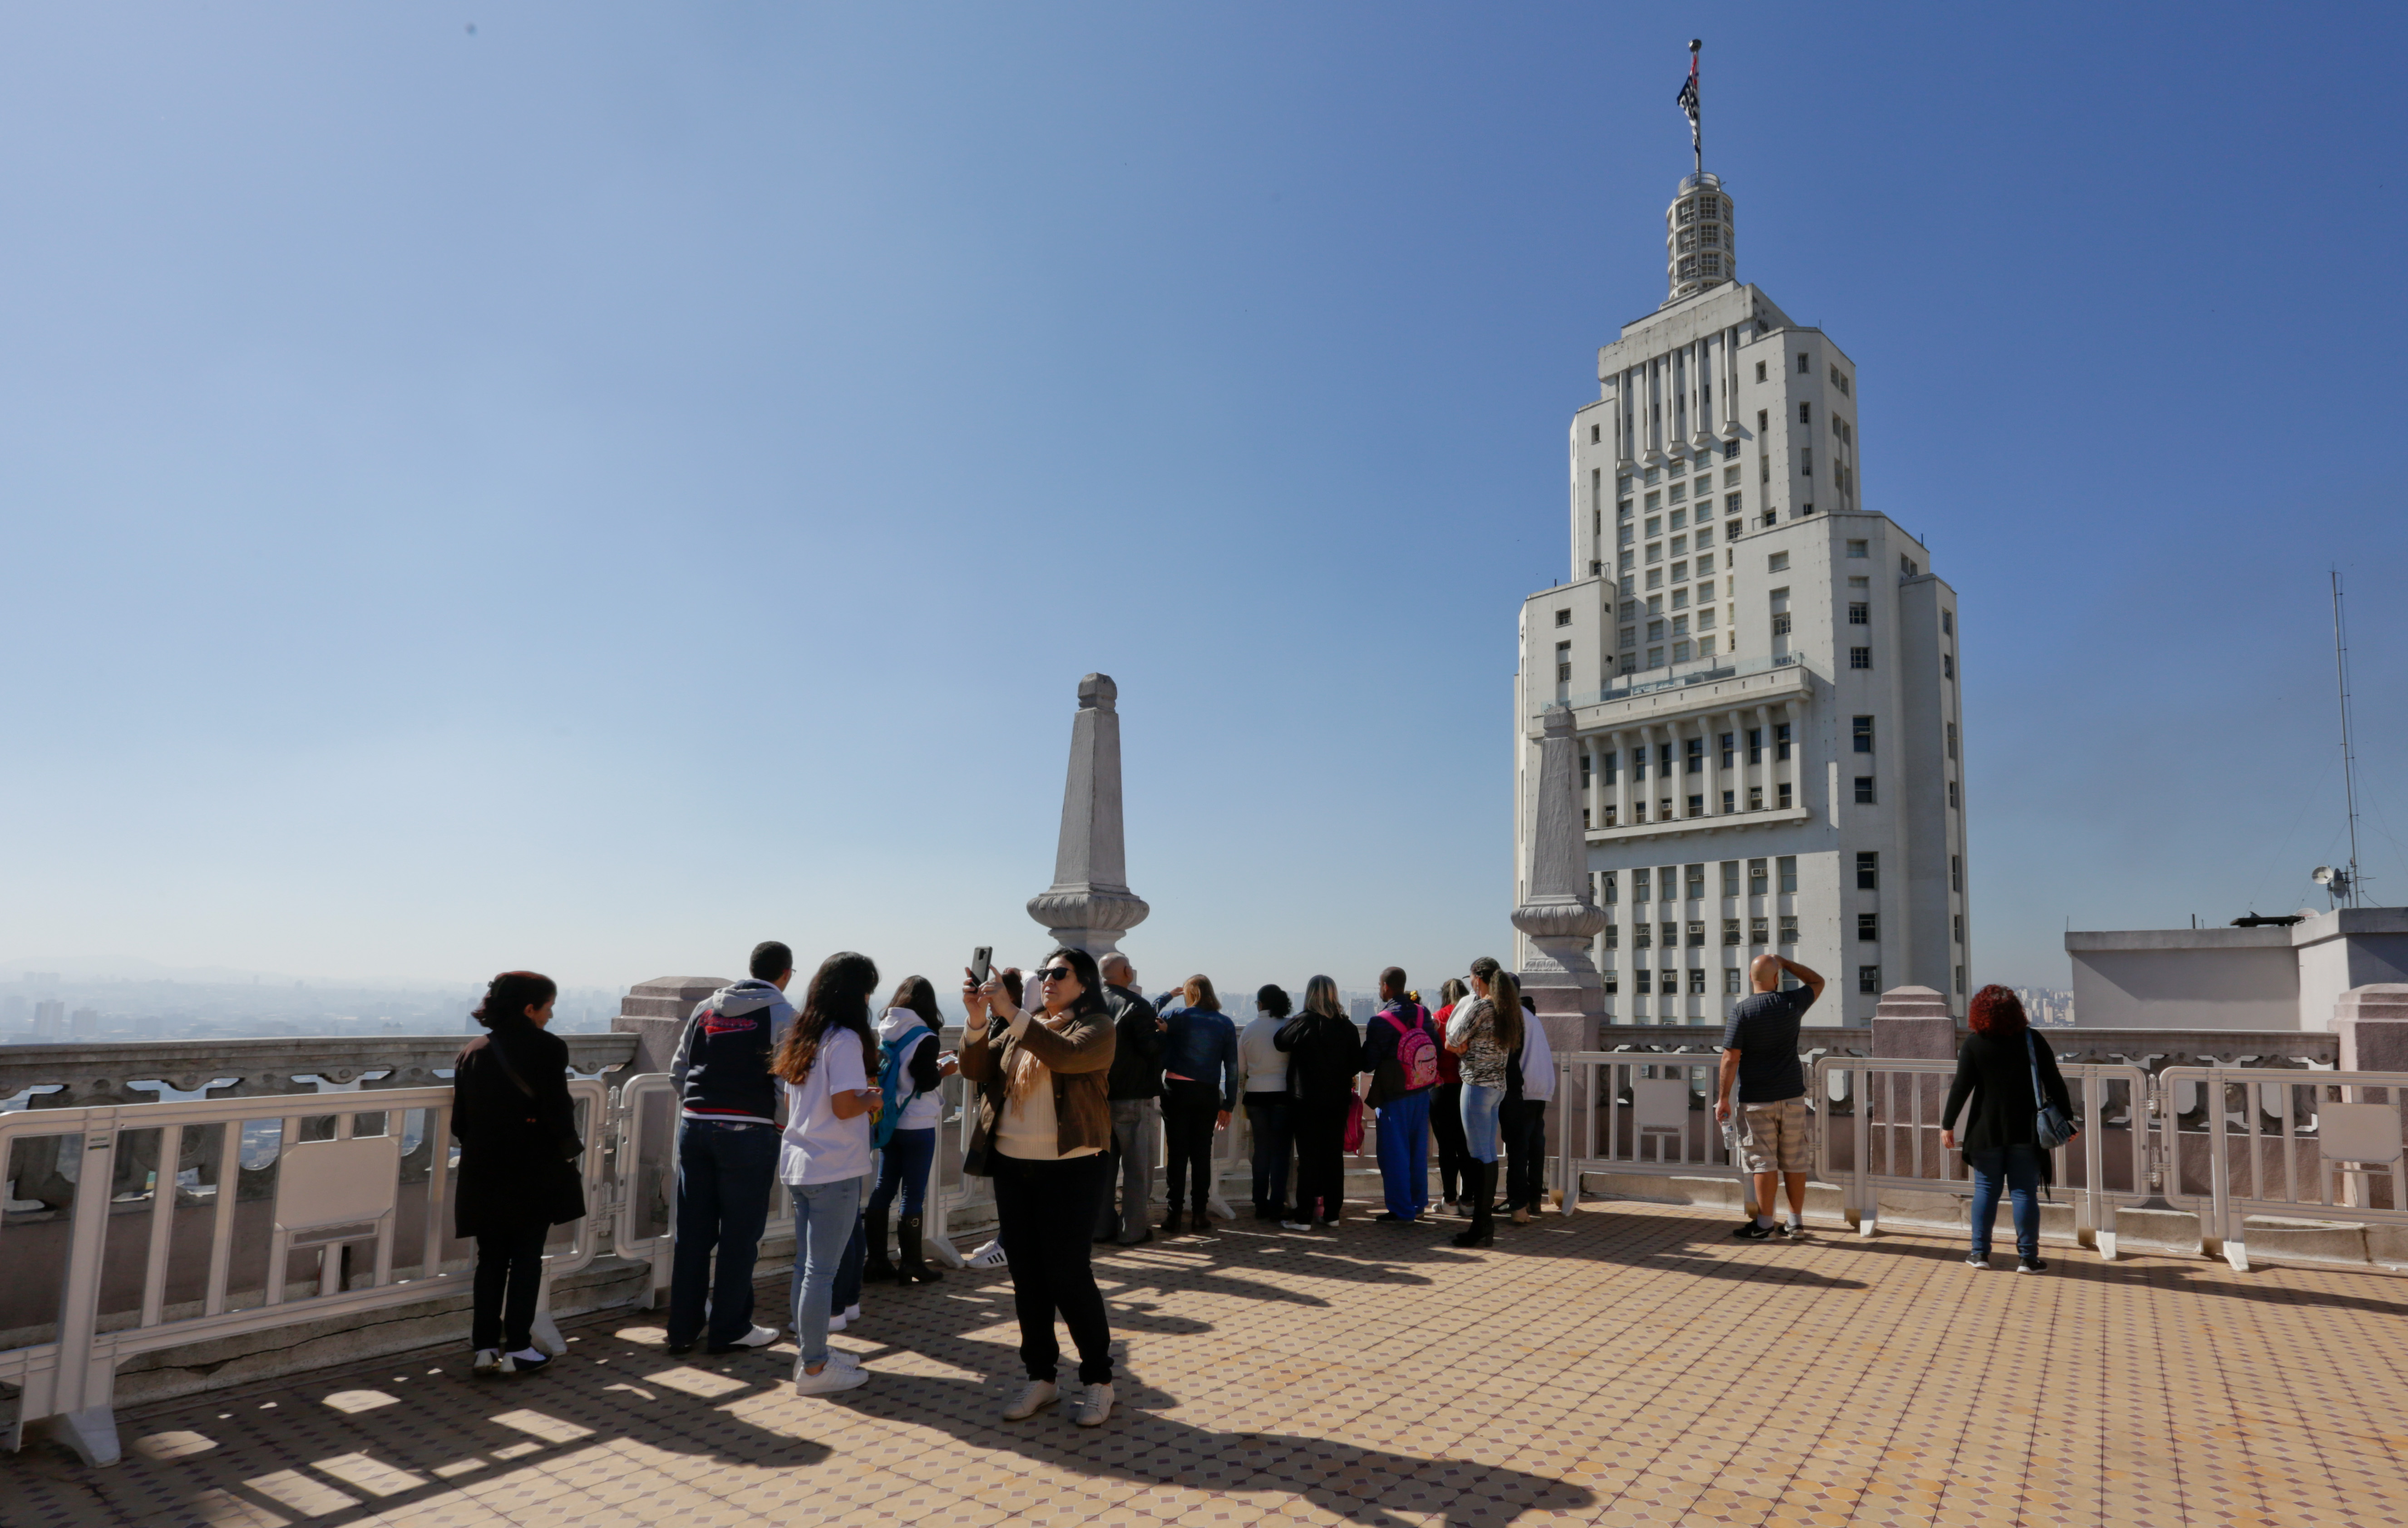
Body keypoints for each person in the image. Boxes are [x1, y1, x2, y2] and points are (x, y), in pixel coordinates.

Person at [961, 949, 1118, 1427]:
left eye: (1059, 973)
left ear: (1085, 983)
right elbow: (976, 1069)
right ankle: (1043, 1377)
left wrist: (1009, 1010)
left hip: (1071, 1167)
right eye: (1045, 973)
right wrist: (975, 1021)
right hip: (1015, 1165)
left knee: (1069, 1274)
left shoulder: (1096, 1028)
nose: (1048, 980)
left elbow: (1066, 1058)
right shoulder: (1020, 1027)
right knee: (1027, 1276)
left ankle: (1098, 1380)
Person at [452, 970, 583, 1377]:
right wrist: (568, 1151)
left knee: (490, 1258)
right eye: (548, 1007)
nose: (550, 1016)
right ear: (530, 1008)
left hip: (482, 1169)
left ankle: (484, 1347)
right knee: (526, 1257)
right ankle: (519, 1348)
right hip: (532, 1167)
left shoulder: (472, 1051)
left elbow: (461, 1123)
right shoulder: (548, 1048)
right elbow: (557, 1111)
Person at [665, 943, 794, 1355]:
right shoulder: (783, 1014)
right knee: (741, 1235)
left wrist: (697, 1109)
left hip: (694, 1127)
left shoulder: (707, 1007)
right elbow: (786, 1080)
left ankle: (682, 1330)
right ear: (787, 973)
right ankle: (731, 1328)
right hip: (749, 1130)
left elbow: (679, 1069)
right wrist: (777, 1123)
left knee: (693, 1234)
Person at [772, 952, 883, 1395]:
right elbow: (844, 1105)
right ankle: (815, 1367)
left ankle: (811, 1351)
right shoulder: (846, 1040)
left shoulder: (803, 1035)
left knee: (807, 1266)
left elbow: (790, 1104)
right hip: (834, 1166)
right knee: (822, 1271)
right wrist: (872, 1098)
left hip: (800, 1163)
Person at [1942, 985, 2078, 1273]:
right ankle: (2028, 1259)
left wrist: (1948, 1124)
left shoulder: (1974, 1044)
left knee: (1986, 1191)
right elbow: (2055, 1081)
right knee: (2024, 1192)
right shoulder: (2032, 1040)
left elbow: (1961, 1087)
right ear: (2018, 1012)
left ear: (1979, 1012)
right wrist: (2066, 1120)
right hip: (2027, 1130)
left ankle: (1979, 1254)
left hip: (1985, 1130)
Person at [1713, 953, 1827, 1241]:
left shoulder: (1742, 1011)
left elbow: (1730, 1058)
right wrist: (1786, 963)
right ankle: (1796, 1222)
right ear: (1776, 979)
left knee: (1763, 1162)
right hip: (1792, 1096)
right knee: (1795, 1159)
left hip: (1757, 1098)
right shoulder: (1791, 1003)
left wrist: (1723, 1097)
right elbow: (1817, 981)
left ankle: (1764, 1224)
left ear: (1751, 979)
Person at [864, 976, 956, 1286]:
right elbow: (924, 1079)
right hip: (917, 1122)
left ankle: (876, 1260)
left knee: (883, 1187)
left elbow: (901, 1069)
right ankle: (912, 1264)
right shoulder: (926, 1035)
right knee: (912, 1194)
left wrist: (932, 1063)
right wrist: (945, 1069)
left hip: (891, 1120)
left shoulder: (888, 1029)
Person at [1274, 975, 1363, 1231]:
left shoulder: (1304, 1022)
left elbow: (1280, 1042)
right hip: (1337, 1101)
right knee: (1333, 1157)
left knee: (1309, 1158)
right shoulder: (1347, 1026)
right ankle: (1332, 1213)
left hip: (1306, 1102)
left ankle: (1303, 1216)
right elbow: (1357, 1063)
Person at [1445, 958, 1521, 1249]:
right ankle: (1484, 1223)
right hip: (1498, 1087)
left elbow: (1454, 1036)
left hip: (1477, 1085)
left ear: (1478, 978)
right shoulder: (1506, 1008)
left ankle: (1481, 1226)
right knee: (1488, 1152)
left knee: (1479, 1155)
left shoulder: (1482, 1006)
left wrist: (1460, 1046)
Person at [1155, 975, 1239, 1236]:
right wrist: (1229, 1104)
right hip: (1207, 1093)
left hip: (1176, 1090)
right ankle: (1200, 1215)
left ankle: (1174, 1215)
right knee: (1202, 1153)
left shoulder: (1178, 1015)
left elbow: (1145, 1014)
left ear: (1190, 994)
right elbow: (1232, 1068)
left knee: (1177, 1154)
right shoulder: (1225, 1023)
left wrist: (1168, 996)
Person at [1092, 953, 1165, 1246]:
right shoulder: (1137, 1006)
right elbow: (1152, 1050)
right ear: (1126, 971)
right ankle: (1133, 1231)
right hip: (1133, 1097)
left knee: (1103, 1170)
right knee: (1138, 1169)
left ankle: (1100, 1228)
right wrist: (1165, 1037)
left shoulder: (1089, 1004)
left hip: (1097, 1097)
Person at [1359, 967, 1439, 1224]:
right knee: (1418, 1151)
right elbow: (1435, 1046)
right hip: (1421, 1090)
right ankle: (1417, 1205)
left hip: (1394, 1095)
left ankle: (1402, 1210)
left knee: (1394, 1153)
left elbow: (1369, 1063)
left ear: (1386, 986)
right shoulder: (1422, 1013)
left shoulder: (1380, 1021)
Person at [1239, 984, 1295, 1221]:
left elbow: (1242, 1069)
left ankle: (1259, 1203)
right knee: (1281, 1151)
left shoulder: (1249, 1030)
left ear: (1260, 1004)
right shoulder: (1289, 1026)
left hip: (1255, 1094)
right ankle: (1277, 1203)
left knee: (1262, 1149)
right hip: (1283, 1093)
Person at [1499, 995, 1555, 1224]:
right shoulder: (1532, 1017)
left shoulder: (1515, 1017)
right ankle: (1534, 1199)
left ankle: (1517, 1202)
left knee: (1518, 1149)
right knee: (1535, 1146)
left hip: (1524, 1090)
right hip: (1540, 1088)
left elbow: (1511, 1055)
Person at [1430, 978, 1472, 1214]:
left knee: (1446, 1147)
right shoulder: (1470, 1016)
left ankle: (1450, 1200)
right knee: (1466, 1145)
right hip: (1467, 1087)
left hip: (1441, 1087)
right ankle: (1468, 1199)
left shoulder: (1437, 1018)